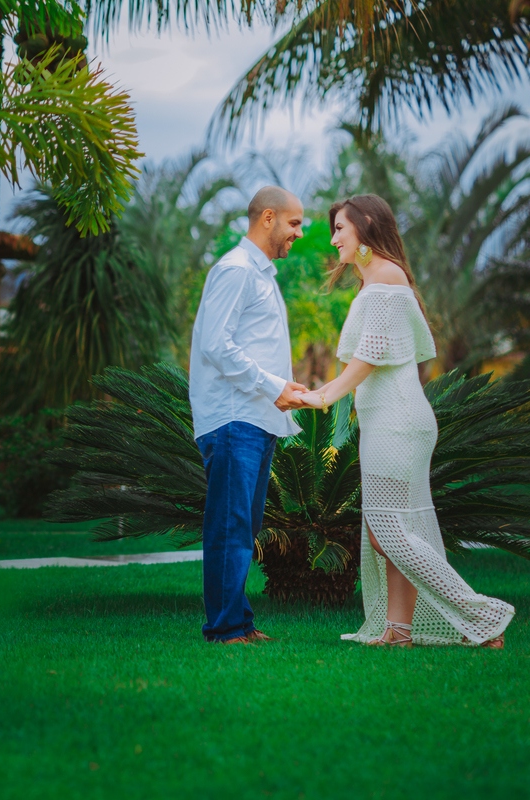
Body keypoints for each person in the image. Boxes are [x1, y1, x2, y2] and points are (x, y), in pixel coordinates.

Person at [296, 194, 514, 648]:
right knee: (394, 531)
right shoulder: (377, 280)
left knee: (388, 533)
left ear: (366, 224)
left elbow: (369, 357)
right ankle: (398, 631)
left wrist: (323, 396)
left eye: (340, 228)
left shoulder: (385, 280)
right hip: (392, 421)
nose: (333, 239)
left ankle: (484, 614)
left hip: (397, 423)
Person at [189, 186, 309, 645]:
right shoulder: (237, 270)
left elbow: (255, 346)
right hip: (234, 417)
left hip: (255, 418)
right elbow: (216, 346)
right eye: (294, 223)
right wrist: (274, 387)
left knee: (243, 525)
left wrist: (283, 389)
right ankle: (224, 629)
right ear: (267, 217)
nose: (299, 233)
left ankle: (239, 622)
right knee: (230, 525)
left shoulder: (260, 274)